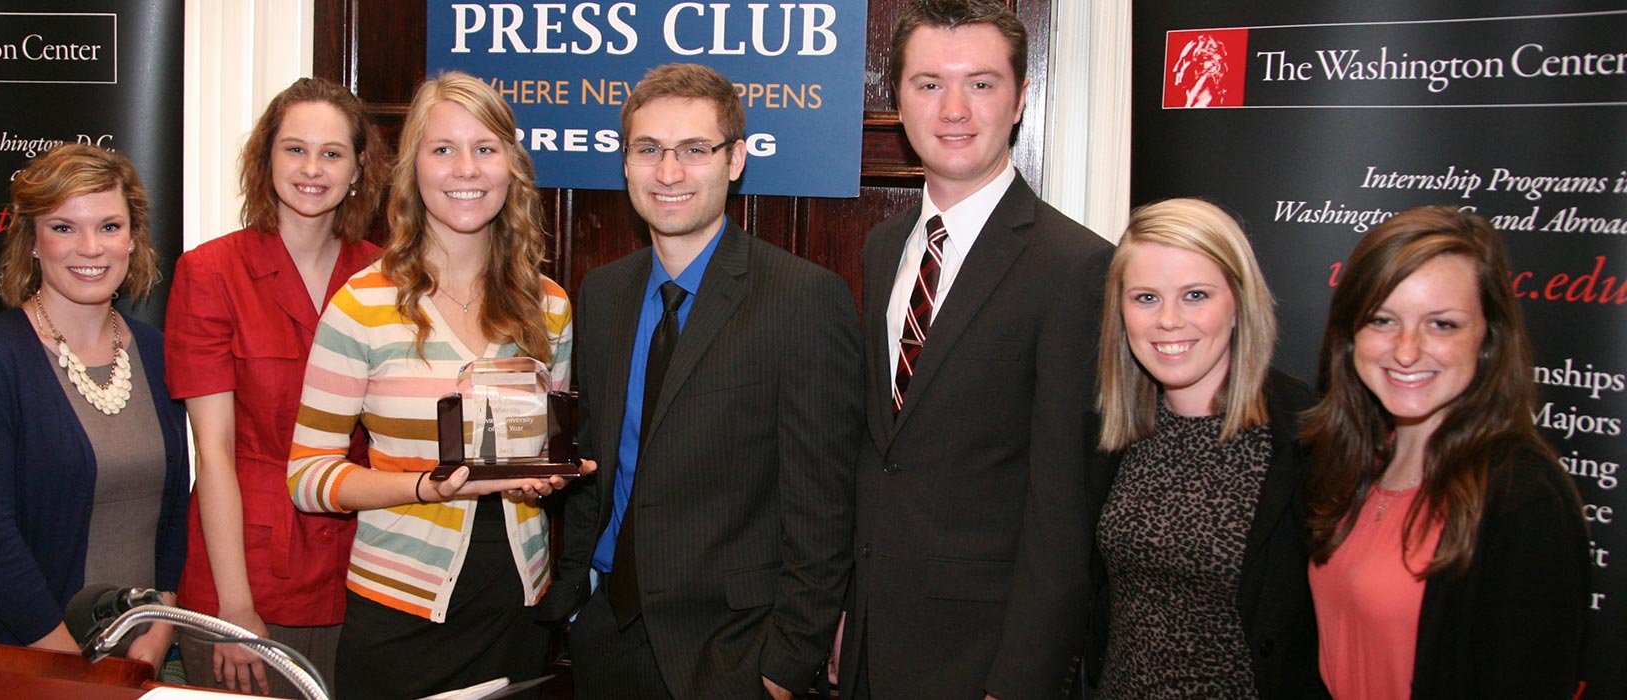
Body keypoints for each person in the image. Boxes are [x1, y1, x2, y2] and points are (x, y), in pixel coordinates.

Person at [537, 63, 863, 699]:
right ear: (625, 160)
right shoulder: (602, 295)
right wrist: (576, 605)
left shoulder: (802, 298)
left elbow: (822, 507)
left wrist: (782, 668)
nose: (668, 172)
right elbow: (599, 465)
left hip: (730, 655)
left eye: (694, 149)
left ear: (735, 159)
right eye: (648, 149)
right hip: (603, 634)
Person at [841, 1, 1115, 697]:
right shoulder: (883, 247)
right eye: (929, 84)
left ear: (1022, 100)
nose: (954, 109)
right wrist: (846, 610)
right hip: (873, 639)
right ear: (897, 100)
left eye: (982, 84)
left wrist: (1019, 679)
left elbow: (1063, 509)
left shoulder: (1075, 266)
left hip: (980, 657)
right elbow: (882, 455)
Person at [285, 71, 581, 700]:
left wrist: (549, 478)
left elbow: (539, 458)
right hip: (398, 616)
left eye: (485, 148)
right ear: (413, 169)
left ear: (512, 166)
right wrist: (424, 486)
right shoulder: (361, 306)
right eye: (442, 149)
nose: (464, 169)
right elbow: (307, 478)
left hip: (519, 609)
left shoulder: (549, 307)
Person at [1302, 206, 1587, 700]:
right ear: (1349, 335)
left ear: (1489, 338)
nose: (1407, 350)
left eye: (1443, 325)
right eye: (1382, 320)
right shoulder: (1352, 460)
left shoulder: (1525, 500)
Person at [164, 77, 388, 696]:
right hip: (245, 575)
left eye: (332, 153)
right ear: (265, 159)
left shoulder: (385, 273)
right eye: (294, 149)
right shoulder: (210, 272)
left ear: (358, 168)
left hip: (359, 567)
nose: (312, 169)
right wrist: (234, 610)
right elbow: (213, 453)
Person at [0, 143, 188, 669]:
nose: (90, 248)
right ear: (32, 241)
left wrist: (158, 631)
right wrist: (71, 667)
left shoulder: (155, 351)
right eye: (63, 227)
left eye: (108, 226)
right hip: (28, 659)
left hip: (143, 655)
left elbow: (173, 515)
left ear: (132, 238)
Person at [1084, 199, 1322, 698]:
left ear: (1239, 301)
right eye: (1146, 298)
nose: (1168, 320)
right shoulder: (1111, 429)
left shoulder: (1304, 438)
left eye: (1195, 295)